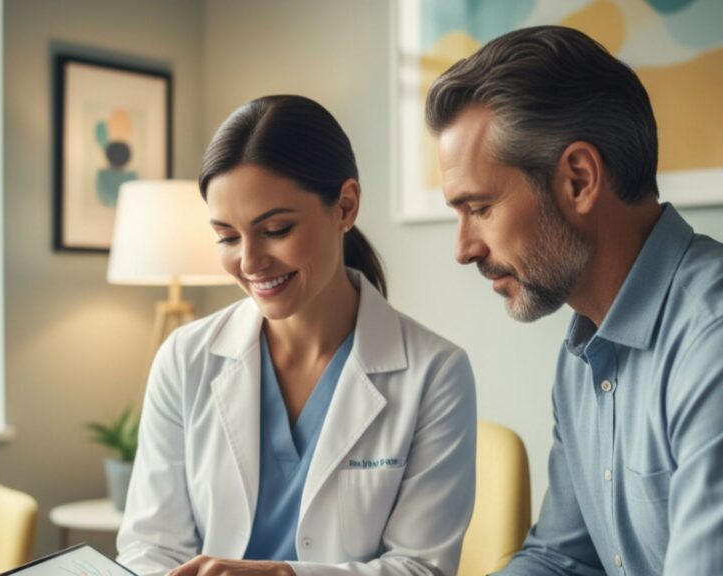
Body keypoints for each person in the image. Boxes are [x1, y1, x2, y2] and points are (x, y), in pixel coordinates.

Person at [426, 25, 723, 576]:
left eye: (480, 207)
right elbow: (563, 558)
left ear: (580, 180)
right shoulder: (583, 352)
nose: (463, 249)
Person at [116, 95, 477, 576]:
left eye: (276, 229)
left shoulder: (435, 373)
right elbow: (150, 545)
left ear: (345, 206)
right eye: (226, 237)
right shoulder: (185, 358)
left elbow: (422, 568)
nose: (248, 262)